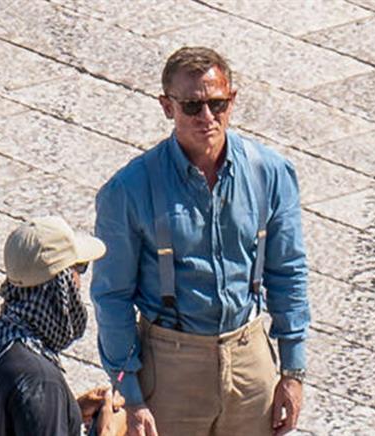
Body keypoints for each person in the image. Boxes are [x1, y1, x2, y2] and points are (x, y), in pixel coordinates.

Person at [92, 46, 310, 436]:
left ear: (232, 100)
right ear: (167, 106)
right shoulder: (129, 189)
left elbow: (288, 271)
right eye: (192, 106)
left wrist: (292, 371)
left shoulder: (270, 173)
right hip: (171, 364)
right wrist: (131, 396)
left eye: (217, 103)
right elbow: (112, 296)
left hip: (249, 359)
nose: (207, 117)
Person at [0, 216, 126, 436]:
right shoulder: (41, 381)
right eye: (79, 268)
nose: (79, 283)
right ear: (62, 284)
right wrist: (109, 430)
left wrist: (69, 411)